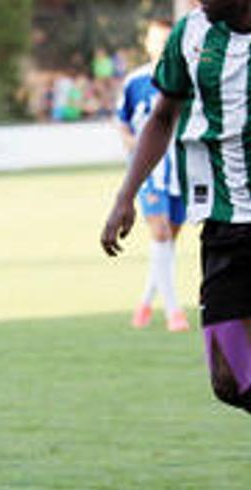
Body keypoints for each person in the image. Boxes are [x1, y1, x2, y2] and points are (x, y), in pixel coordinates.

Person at [102, 0, 251, 426]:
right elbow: (163, 116)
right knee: (229, 379)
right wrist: (124, 195)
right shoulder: (190, 35)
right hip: (224, 221)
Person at [114, 18, 189, 332]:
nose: (160, 43)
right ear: (147, 42)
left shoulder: (185, 75)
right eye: (155, 38)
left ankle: (145, 302)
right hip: (149, 173)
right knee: (158, 234)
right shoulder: (136, 80)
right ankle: (174, 312)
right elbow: (122, 120)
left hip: (179, 169)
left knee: (167, 242)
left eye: (165, 38)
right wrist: (131, 145)